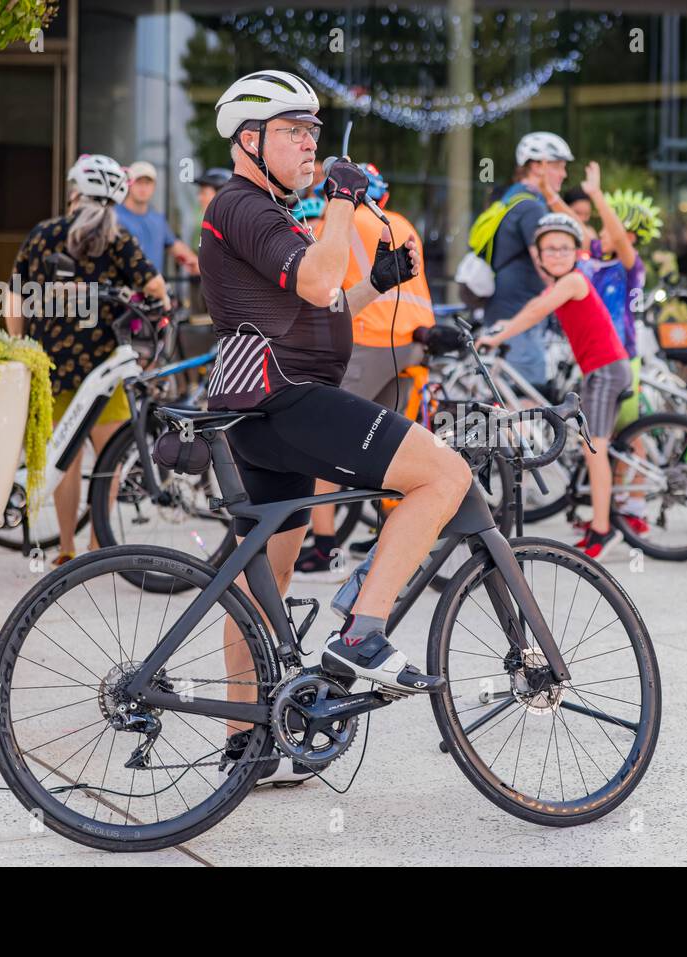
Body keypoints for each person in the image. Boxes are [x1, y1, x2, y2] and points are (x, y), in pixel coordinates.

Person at [200, 70, 468, 772]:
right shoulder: (244, 206)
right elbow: (316, 281)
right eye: (295, 131)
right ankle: (362, 636)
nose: (310, 145)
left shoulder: (263, 212)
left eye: (314, 132)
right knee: (444, 472)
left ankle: (244, 742)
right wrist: (345, 200)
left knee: (265, 584)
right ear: (250, 139)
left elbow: (317, 305)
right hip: (284, 401)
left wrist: (374, 284)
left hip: (263, 408)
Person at [5, 154, 169, 566]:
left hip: (53, 366)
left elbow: (13, 295)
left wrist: (19, 343)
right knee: (110, 458)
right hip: (104, 368)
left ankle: (65, 548)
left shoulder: (44, 233)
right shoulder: (117, 238)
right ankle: (100, 546)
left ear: (75, 192)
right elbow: (156, 290)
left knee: (66, 459)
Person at [294, 161, 437, 579]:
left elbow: (318, 284)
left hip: (367, 338)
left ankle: (324, 552)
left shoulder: (336, 223)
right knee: (389, 444)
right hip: (412, 342)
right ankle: (393, 539)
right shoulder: (402, 222)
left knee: (320, 440)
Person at [476, 213, 631, 559]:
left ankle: (604, 530)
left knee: (595, 449)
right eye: (550, 249)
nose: (558, 254)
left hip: (606, 370)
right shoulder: (559, 285)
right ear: (539, 255)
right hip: (600, 370)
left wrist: (499, 336)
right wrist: (501, 325)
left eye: (564, 248)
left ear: (576, 252)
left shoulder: (574, 281)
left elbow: (537, 311)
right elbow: (534, 305)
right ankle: (597, 520)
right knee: (591, 444)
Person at [577, 168, 662, 535]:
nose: (600, 232)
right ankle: (615, 504)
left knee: (630, 434)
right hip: (598, 358)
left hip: (624, 358)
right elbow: (577, 229)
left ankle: (636, 506)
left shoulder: (630, 267)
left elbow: (614, 236)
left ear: (626, 236)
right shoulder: (596, 258)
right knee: (607, 436)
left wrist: (598, 195)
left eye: (609, 227)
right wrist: (550, 194)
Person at [482, 131, 574, 392]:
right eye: (558, 166)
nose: (563, 174)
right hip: (519, 313)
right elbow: (546, 265)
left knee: (511, 393)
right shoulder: (532, 207)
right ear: (536, 166)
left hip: (506, 308)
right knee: (527, 396)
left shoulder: (512, 198)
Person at [117, 160, 200, 278]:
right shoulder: (112, 216)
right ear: (128, 183)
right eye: (138, 182)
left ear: (154, 186)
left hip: (153, 291)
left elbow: (174, 245)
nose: (143, 187)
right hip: (121, 291)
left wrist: (197, 263)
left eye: (147, 183)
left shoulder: (158, 220)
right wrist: (86, 295)